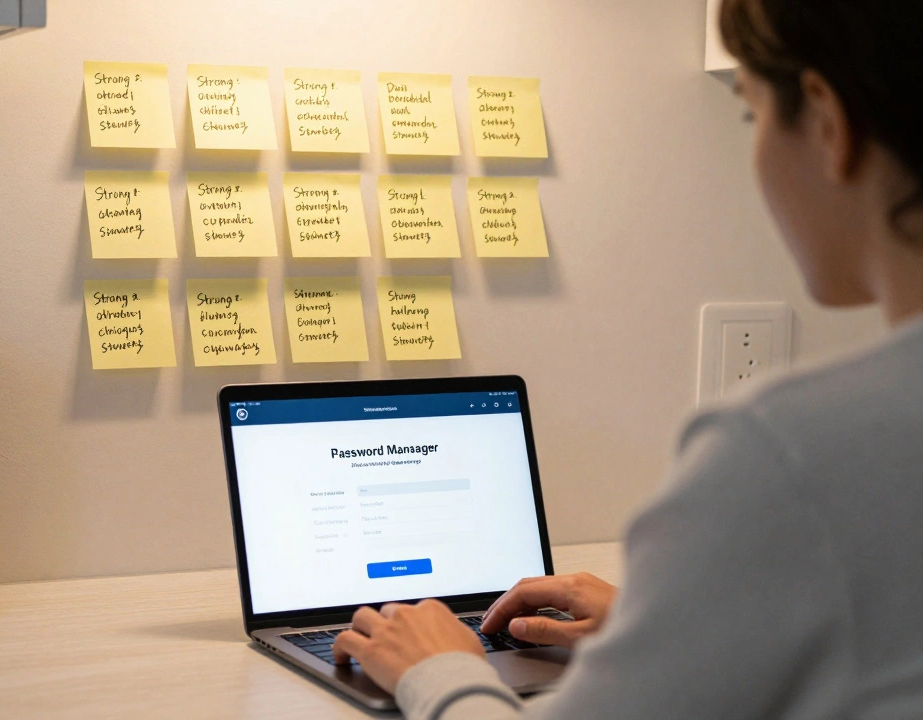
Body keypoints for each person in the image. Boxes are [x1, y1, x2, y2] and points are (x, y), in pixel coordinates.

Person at [333, 1, 923, 717]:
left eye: (751, 115)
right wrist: (679, 631)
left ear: (829, 123)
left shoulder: (789, 451)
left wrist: (439, 671)